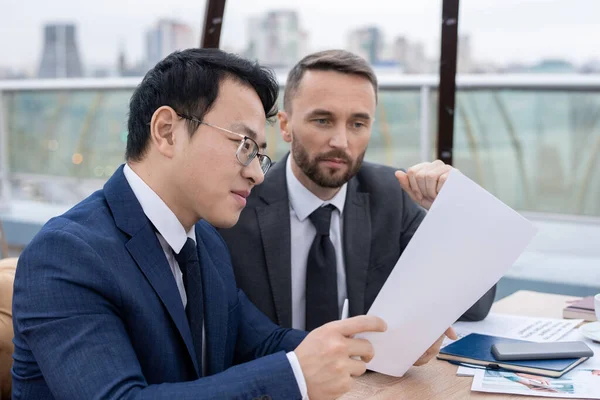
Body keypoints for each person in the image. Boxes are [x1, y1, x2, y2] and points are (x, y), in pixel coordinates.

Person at [11, 48, 448, 400]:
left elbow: (261, 341)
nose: (258, 173)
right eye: (243, 145)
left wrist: (379, 350)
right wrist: (295, 378)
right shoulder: (66, 254)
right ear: (166, 131)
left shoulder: (201, 240)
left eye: (260, 153)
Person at [219, 49, 496, 333]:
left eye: (358, 124)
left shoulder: (392, 197)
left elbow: (474, 307)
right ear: (286, 126)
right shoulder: (239, 205)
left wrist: (456, 209)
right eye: (323, 120)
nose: (341, 141)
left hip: (370, 376)